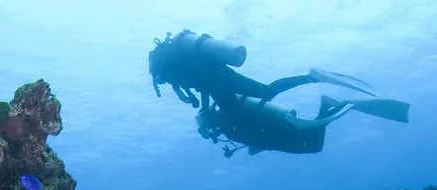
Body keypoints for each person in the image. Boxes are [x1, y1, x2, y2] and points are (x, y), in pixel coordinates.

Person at [149, 30, 375, 110]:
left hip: (219, 79)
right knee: (250, 101)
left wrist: (203, 106)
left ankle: (311, 77)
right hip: (220, 74)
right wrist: (201, 104)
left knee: (262, 96)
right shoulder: (176, 64)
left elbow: (201, 86)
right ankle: (311, 78)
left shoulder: (172, 73)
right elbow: (199, 85)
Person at [196, 94, 410, 157]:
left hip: (281, 131)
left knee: (314, 145)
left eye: (205, 128)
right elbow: (254, 139)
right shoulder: (228, 125)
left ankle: (328, 105)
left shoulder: (229, 122)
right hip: (278, 133)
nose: (209, 132)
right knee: (314, 144)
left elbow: (254, 132)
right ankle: (329, 106)